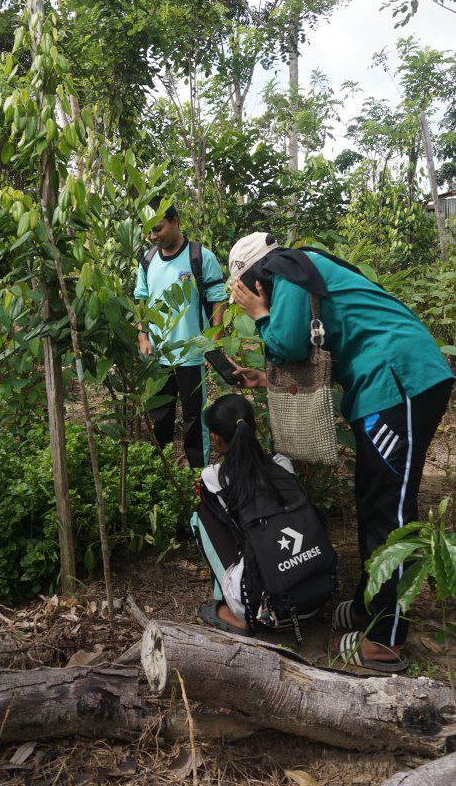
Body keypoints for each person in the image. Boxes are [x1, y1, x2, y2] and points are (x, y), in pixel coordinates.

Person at [228, 232, 454, 671]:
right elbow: (315, 351)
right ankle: (371, 608)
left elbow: (288, 344)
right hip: (382, 384)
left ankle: (385, 640)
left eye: (247, 290)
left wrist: (259, 315)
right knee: (372, 500)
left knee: (389, 509)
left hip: (399, 379)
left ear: (257, 277)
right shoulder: (300, 269)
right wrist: (264, 377)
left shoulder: (287, 270)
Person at [191, 392, 336, 637]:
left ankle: (231, 606)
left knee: (202, 515)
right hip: (317, 594)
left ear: (215, 438)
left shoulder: (215, 477)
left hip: (266, 611)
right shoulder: (282, 464)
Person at [134, 200, 226, 470]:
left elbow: (217, 301)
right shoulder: (147, 260)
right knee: (159, 414)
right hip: (157, 354)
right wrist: (142, 337)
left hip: (192, 354)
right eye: (149, 231)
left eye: (158, 229)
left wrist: (213, 344)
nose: (153, 236)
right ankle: (159, 469)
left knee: (194, 417)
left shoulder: (201, 257)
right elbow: (141, 300)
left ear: (175, 222)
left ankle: (198, 471)